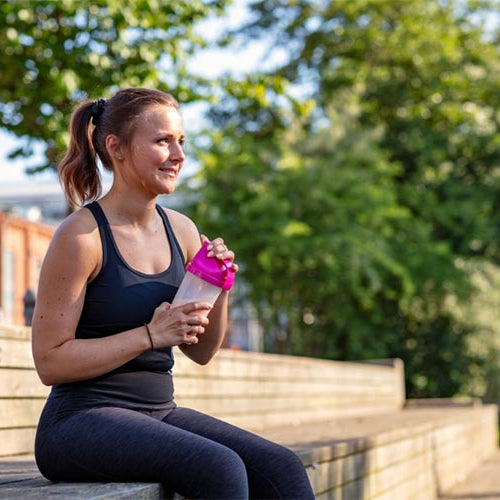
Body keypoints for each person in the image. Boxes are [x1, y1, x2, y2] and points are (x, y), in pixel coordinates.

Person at [32, 88, 315, 499]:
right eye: (162, 141)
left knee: (281, 467)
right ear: (117, 148)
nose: (178, 154)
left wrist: (219, 285)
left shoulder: (180, 230)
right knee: (219, 467)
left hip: (159, 412)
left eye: (181, 141)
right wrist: (149, 336)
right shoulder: (81, 236)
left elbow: (201, 352)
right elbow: (50, 362)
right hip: (78, 422)